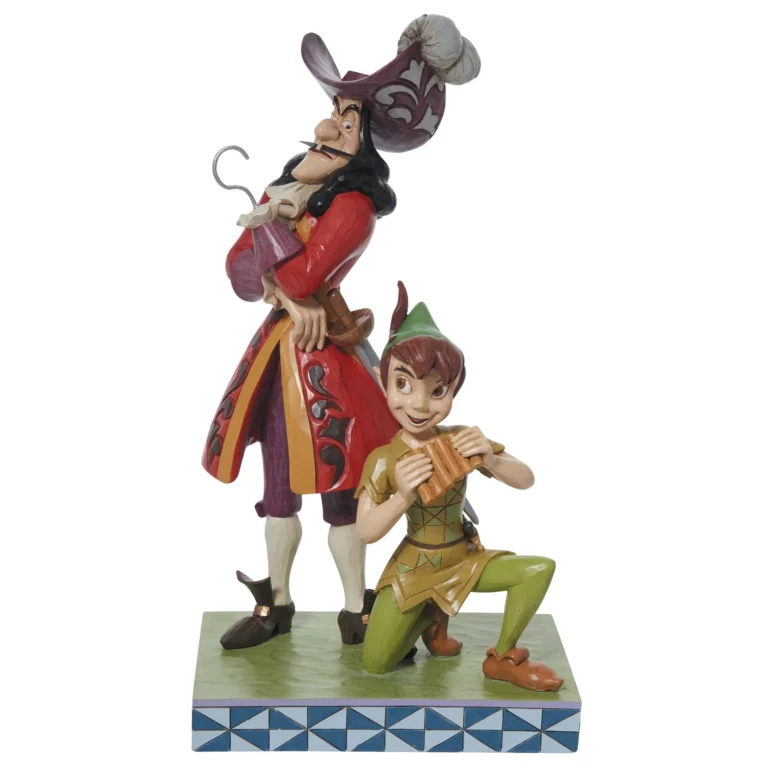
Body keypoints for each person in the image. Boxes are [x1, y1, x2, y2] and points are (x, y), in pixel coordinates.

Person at [202, 16, 481, 649]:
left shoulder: (352, 209)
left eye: (347, 123)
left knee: (340, 489)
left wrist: (272, 233)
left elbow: (303, 276)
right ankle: (276, 602)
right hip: (277, 357)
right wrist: (278, 265)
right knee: (277, 489)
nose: (328, 129)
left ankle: (357, 609)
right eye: (334, 114)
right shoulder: (289, 195)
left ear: (365, 146)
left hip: (324, 366)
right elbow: (239, 275)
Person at [356, 283, 564, 691]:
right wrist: (402, 496)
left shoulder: (461, 439)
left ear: (453, 391)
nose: (419, 404)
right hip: (413, 565)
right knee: (376, 663)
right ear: (383, 383)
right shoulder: (383, 458)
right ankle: (431, 618)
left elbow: (526, 479)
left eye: (437, 391)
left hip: (462, 557)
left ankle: (503, 656)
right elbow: (365, 531)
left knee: (538, 569)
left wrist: (492, 460)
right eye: (404, 385)